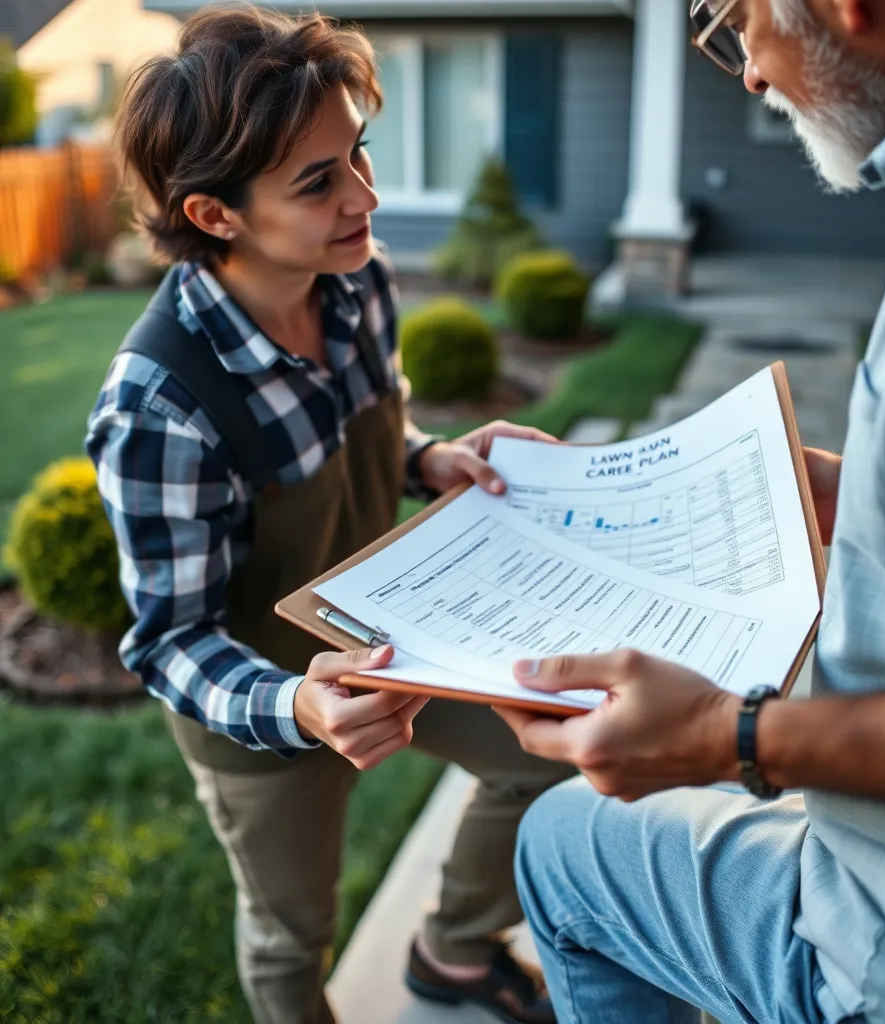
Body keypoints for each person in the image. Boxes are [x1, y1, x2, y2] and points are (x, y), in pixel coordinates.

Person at [497, 1, 885, 1022]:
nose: (745, 71)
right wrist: (844, 488)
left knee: (562, 843)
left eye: (736, 19)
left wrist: (731, 735)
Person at [85, 7, 570, 1023]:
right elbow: (169, 639)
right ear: (215, 214)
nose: (366, 195)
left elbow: (365, 434)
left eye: (355, 153)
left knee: (549, 759)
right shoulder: (157, 408)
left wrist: (432, 457)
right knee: (291, 934)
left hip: (399, 632)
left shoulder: (360, 277)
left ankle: (452, 950)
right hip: (263, 711)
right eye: (319, 181)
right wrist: (301, 708)